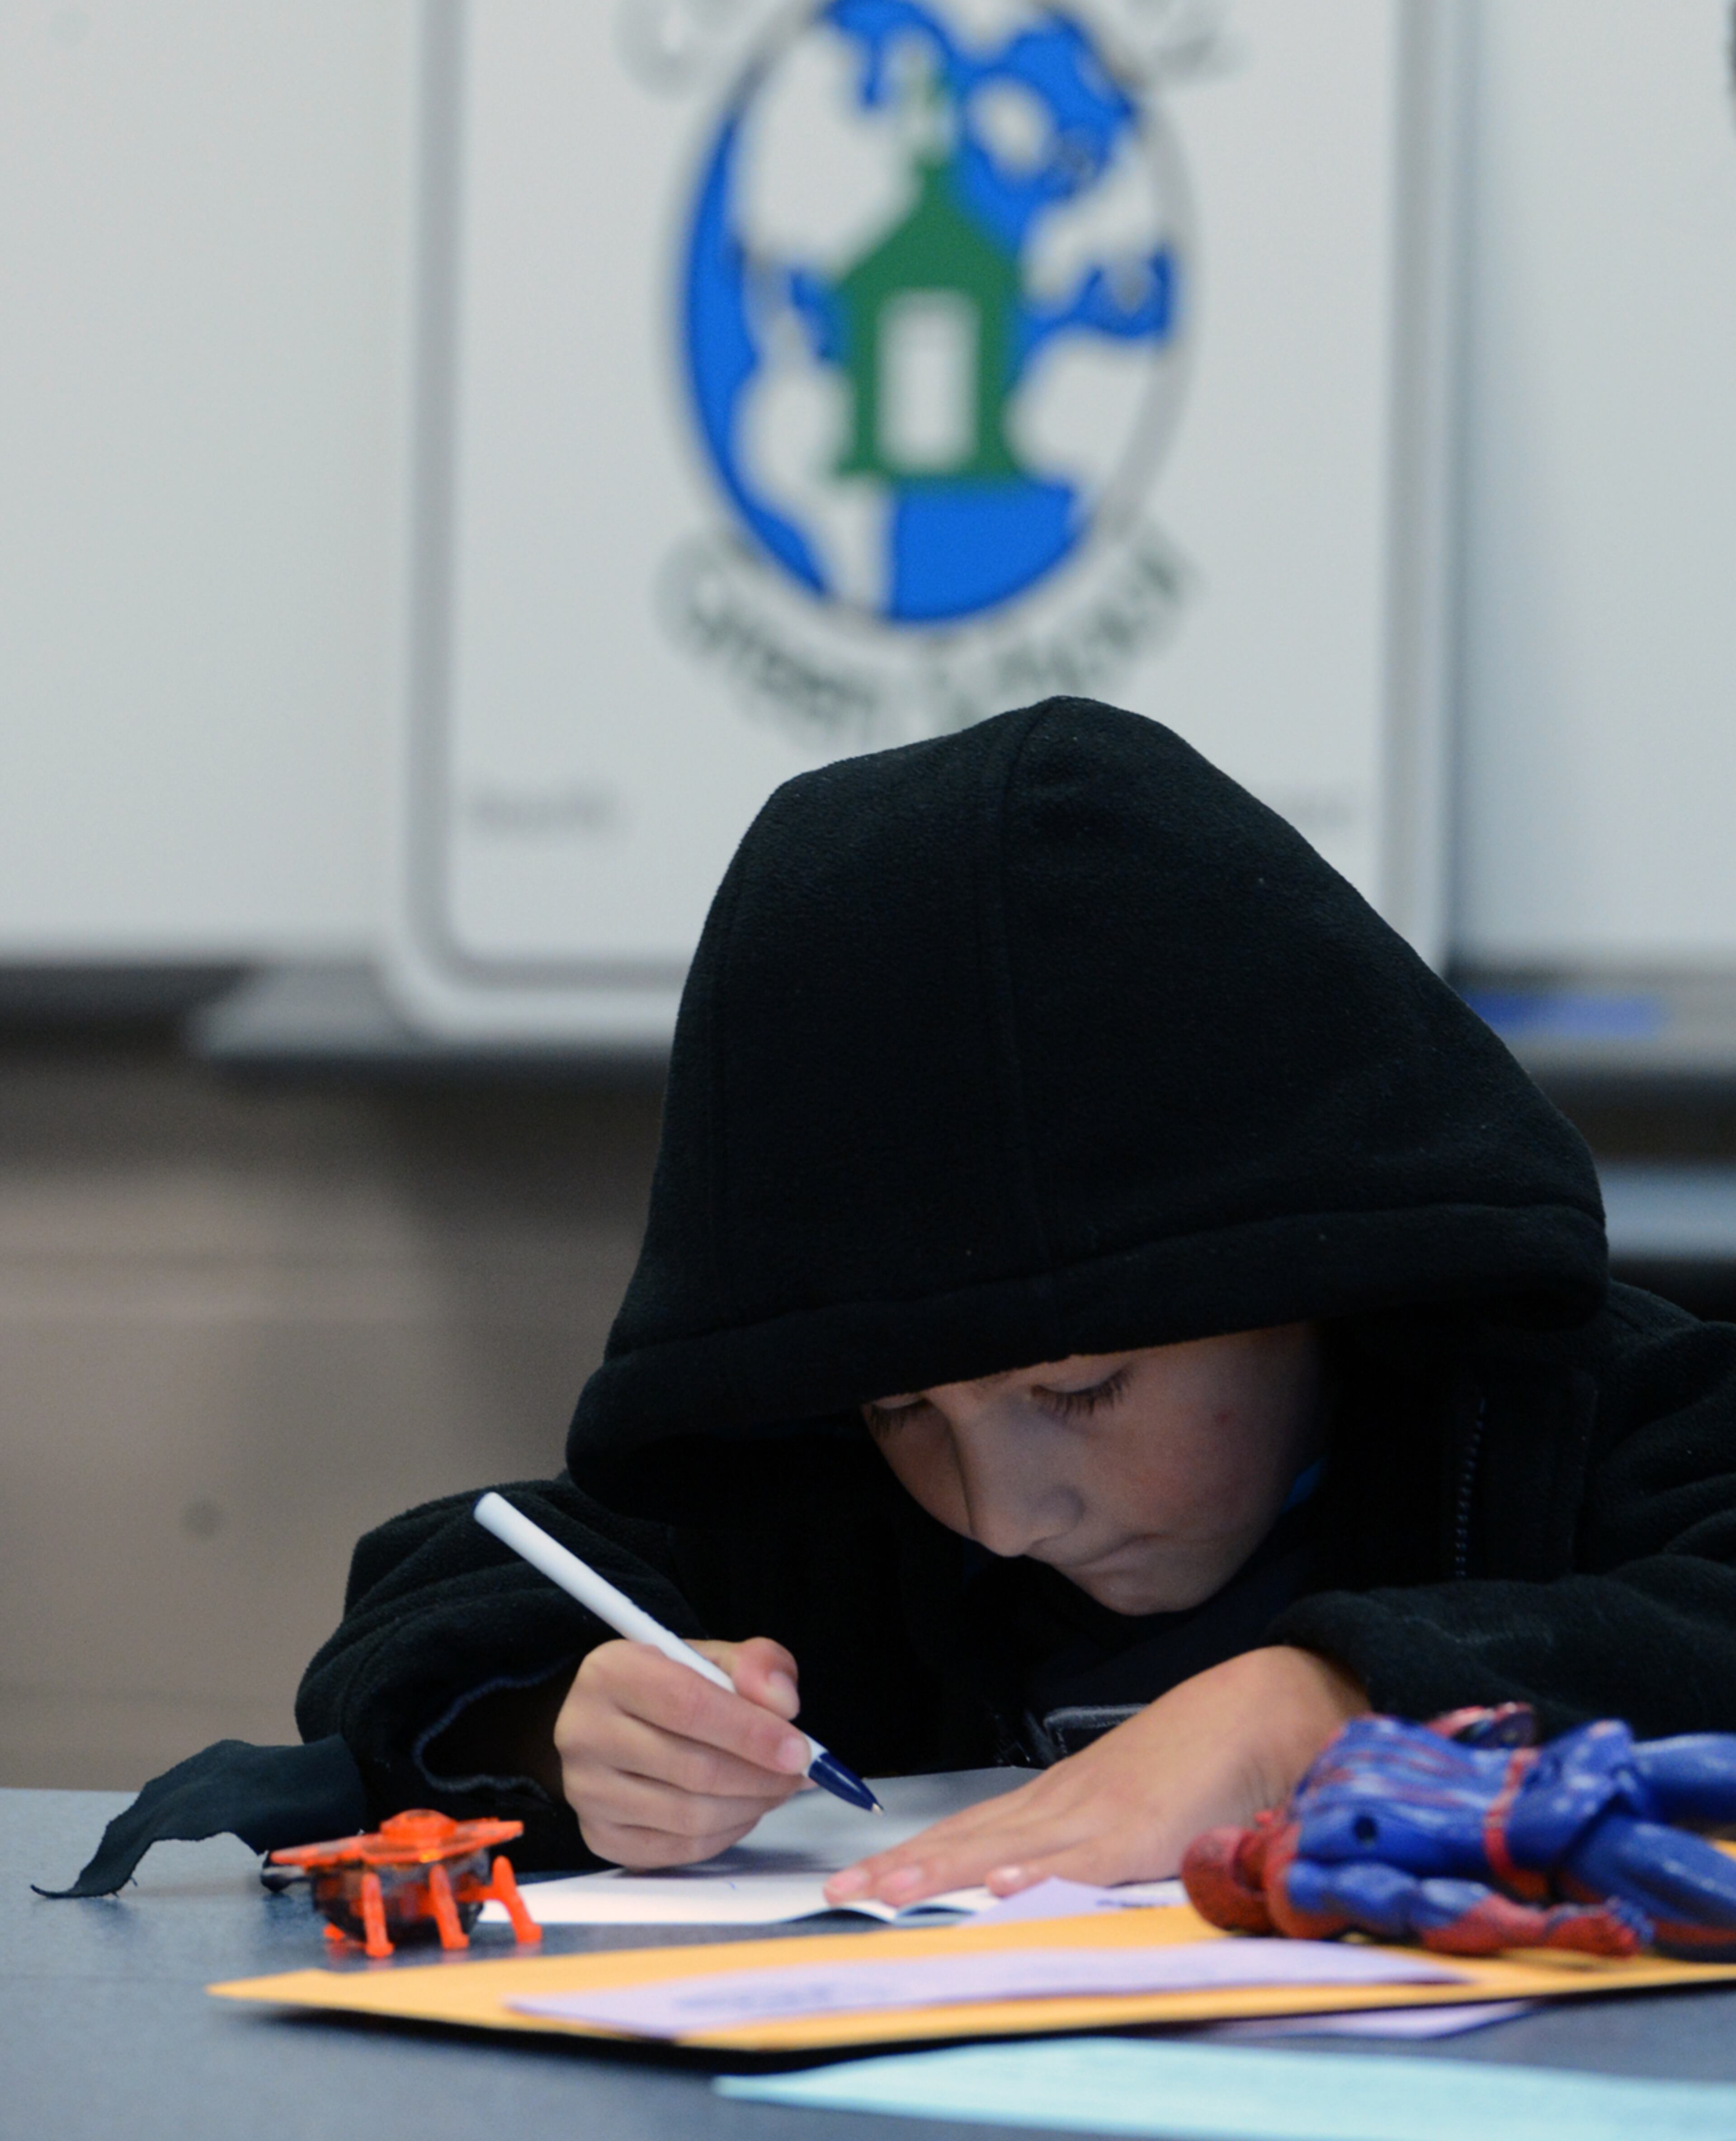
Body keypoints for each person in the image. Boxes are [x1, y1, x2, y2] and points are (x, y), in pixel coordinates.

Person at [294, 698, 1736, 1903]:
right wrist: (561, 1728)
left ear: (1311, 1271)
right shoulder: (835, 1516)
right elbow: (437, 1588)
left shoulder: (1562, 1420)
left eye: (1080, 1388)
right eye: (906, 1402)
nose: (997, 1509)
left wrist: (1330, 1705)